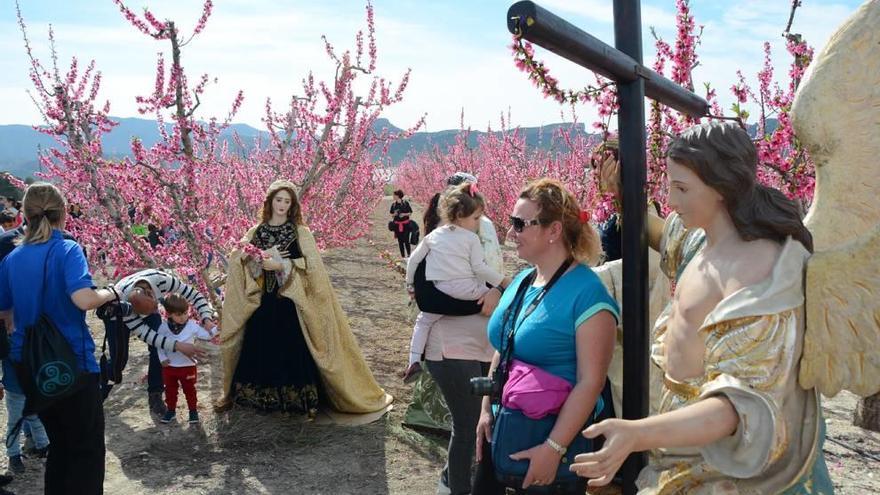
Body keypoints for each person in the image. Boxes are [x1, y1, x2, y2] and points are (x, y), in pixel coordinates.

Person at [570, 122, 832, 493]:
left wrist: (636, 432)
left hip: (722, 466)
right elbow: (656, 230)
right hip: (681, 442)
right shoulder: (700, 241)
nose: (672, 201)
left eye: (682, 189)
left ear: (722, 186)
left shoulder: (761, 271)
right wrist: (621, 194)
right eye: (670, 186)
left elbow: (739, 408)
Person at [470, 178, 618, 495]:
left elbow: (590, 382)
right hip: (504, 429)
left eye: (520, 224)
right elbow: (506, 347)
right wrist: (486, 410)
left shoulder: (588, 294)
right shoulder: (525, 280)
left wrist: (553, 448)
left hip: (546, 442)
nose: (510, 233)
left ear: (554, 231)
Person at [218, 180, 392, 418]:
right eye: (278, 200)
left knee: (291, 347)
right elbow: (240, 258)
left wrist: (282, 265)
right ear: (270, 202)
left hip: (290, 301)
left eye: (287, 201)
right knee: (260, 344)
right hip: (262, 302)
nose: (282, 205)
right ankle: (259, 399)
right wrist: (255, 261)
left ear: (293, 205)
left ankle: (295, 400)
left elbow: (312, 268)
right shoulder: (256, 231)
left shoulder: (300, 232)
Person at [0, 182, 119, 494]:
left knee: (61, 449)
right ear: (63, 214)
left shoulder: (12, 259)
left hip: (34, 369)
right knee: (87, 452)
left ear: (24, 215)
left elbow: (4, 311)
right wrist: (111, 292)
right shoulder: (67, 249)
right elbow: (83, 298)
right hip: (73, 365)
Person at [404, 183, 511, 382]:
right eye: (476, 218)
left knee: (423, 322)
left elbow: (413, 261)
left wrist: (410, 284)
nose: (478, 223)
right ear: (461, 215)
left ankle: (413, 360)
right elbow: (479, 268)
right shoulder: (471, 239)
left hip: (440, 289)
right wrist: (502, 283)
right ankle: (505, 349)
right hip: (468, 289)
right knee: (497, 305)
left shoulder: (433, 236)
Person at [103, 268, 216, 414]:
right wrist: (178, 346)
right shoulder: (123, 299)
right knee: (119, 361)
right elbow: (148, 336)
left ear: (152, 295)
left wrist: (206, 318)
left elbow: (194, 295)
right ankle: (99, 388)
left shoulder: (162, 280)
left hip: (145, 306)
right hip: (118, 315)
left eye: (154, 308)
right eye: (146, 312)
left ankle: (155, 394)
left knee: (157, 351)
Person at [156, 294, 216, 425]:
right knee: (170, 390)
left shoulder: (192, 325)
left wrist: (216, 329)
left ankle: (193, 411)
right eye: (178, 314)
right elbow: (159, 344)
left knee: (190, 390)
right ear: (169, 314)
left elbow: (206, 336)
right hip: (169, 367)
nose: (183, 317)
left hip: (187, 366)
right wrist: (162, 358)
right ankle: (171, 410)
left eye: (185, 313)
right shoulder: (164, 327)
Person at [390, 189, 414, 259]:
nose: (393, 196)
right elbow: (391, 214)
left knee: (406, 240)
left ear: (398, 195)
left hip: (406, 225)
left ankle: (409, 255)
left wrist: (404, 214)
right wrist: (395, 214)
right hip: (397, 226)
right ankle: (403, 256)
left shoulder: (406, 203)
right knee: (400, 241)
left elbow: (410, 212)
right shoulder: (393, 205)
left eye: (394, 195)